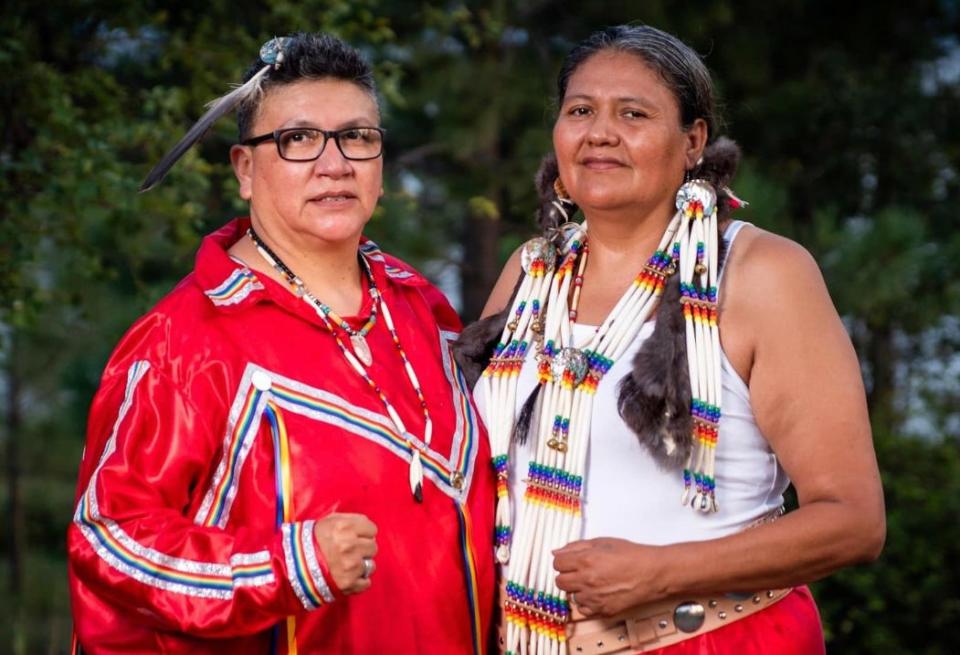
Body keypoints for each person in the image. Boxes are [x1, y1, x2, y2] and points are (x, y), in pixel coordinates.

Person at [456, 24, 885, 655]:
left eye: (633, 113)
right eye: (581, 111)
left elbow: (853, 521)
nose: (600, 132)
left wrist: (662, 571)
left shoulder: (759, 273)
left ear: (692, 142)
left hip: (711, 638)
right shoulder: (531, 270)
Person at [67, 33, 494, 655]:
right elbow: (108, 537)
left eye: (358, 136)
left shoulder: (421, 308)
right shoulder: (184, 341)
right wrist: (286, 565)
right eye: (297, 140)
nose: (334, 163)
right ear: (245, 168)